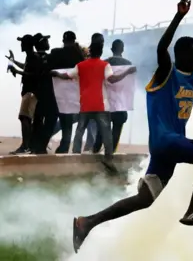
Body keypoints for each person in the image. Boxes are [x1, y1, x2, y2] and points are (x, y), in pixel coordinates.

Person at [71, 0, 193, 253]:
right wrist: (178, 16)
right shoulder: (166, 71)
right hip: (167, 141)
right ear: (181, 55)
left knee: (145, 199)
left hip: (165, 147)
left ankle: (87, 222)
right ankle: (192, 210)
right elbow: (162, 48)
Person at [51, 36, 136, 174]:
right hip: (101, 105)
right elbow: (113, 80)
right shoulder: (106, 65)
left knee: (80, 131)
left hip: (85, 104)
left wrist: (56, 73)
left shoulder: (82, 65)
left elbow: (67, 75)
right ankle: (108, 158)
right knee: (108, 132)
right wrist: (127, 72)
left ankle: (77, 157)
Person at [48, 30, 85, 153]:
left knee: (53, 120)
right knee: (67, 122)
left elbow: (48, 68)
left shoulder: (56, 53)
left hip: (56, 92)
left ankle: (42, 143)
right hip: (73, 94)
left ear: (63, 41)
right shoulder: (80, 56)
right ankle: (64, 147)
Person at [92, 39, 132, 153]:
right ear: (122, 49)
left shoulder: (104, 63)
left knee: (101, 130)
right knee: (116, 130)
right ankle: (110, 154)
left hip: (106, 102)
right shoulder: (129, 65)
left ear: (111, 49)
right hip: (120, 103)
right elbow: (129, 86)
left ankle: (95, 151)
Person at [6, 35, 41, 154]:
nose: (21, 45)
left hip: (31, 92)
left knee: (25, 118)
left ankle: (25, 146)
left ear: (26, 45)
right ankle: (27, 145)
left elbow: (34, 74)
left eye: (22, 43)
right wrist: (14, 62)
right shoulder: (31, 57)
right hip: (29, 92)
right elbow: (27, 68)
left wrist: (17, 71)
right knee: (25, 118)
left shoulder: (34, 57)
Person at [29, 33, 55, 154]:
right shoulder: (45, 58)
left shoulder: (35, 57)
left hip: (39, 92)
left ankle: (35, 146)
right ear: (42, 43)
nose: (48, 43)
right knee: (47, 120)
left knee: (38, 120)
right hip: (46, 93)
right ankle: (39, 146)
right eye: (46, 41)